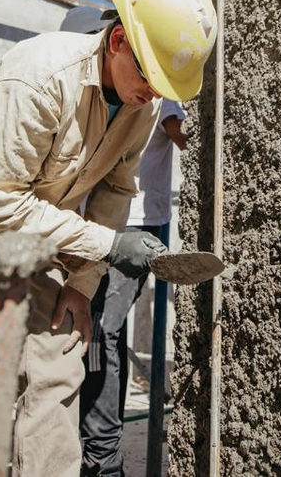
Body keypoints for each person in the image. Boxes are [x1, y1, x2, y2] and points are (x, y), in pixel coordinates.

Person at [0, 0, 217, 477]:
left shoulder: (143, 108)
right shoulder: (39, 76)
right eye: (150, 77)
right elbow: (1, 204)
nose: (154, 94)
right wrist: (109, 246)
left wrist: (82, 280)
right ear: (118, 40)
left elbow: (115, 191)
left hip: (36, 230)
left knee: (60, 358)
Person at [79, 98, 185, 476]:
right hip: (100, 222)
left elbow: (184, 133)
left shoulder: (161, 91)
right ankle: (101, 452)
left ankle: (102, 461)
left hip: (137, 225)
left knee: (101, 332)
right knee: (102, 332)